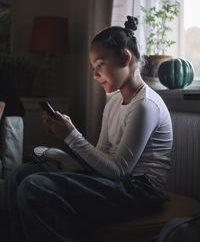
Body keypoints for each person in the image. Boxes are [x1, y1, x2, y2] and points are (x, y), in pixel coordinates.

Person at [6, 16, 173, 242]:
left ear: (125, 58)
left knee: (35, 187)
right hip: (117, 184)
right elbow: (101, 163)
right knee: (19, 174)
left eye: (100, 65)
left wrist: (72, 136)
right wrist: (65, 136)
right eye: (93, 67)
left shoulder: (145, 105)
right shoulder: (114, 103)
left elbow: (118, 170)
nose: (95, 75)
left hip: (140, 191)